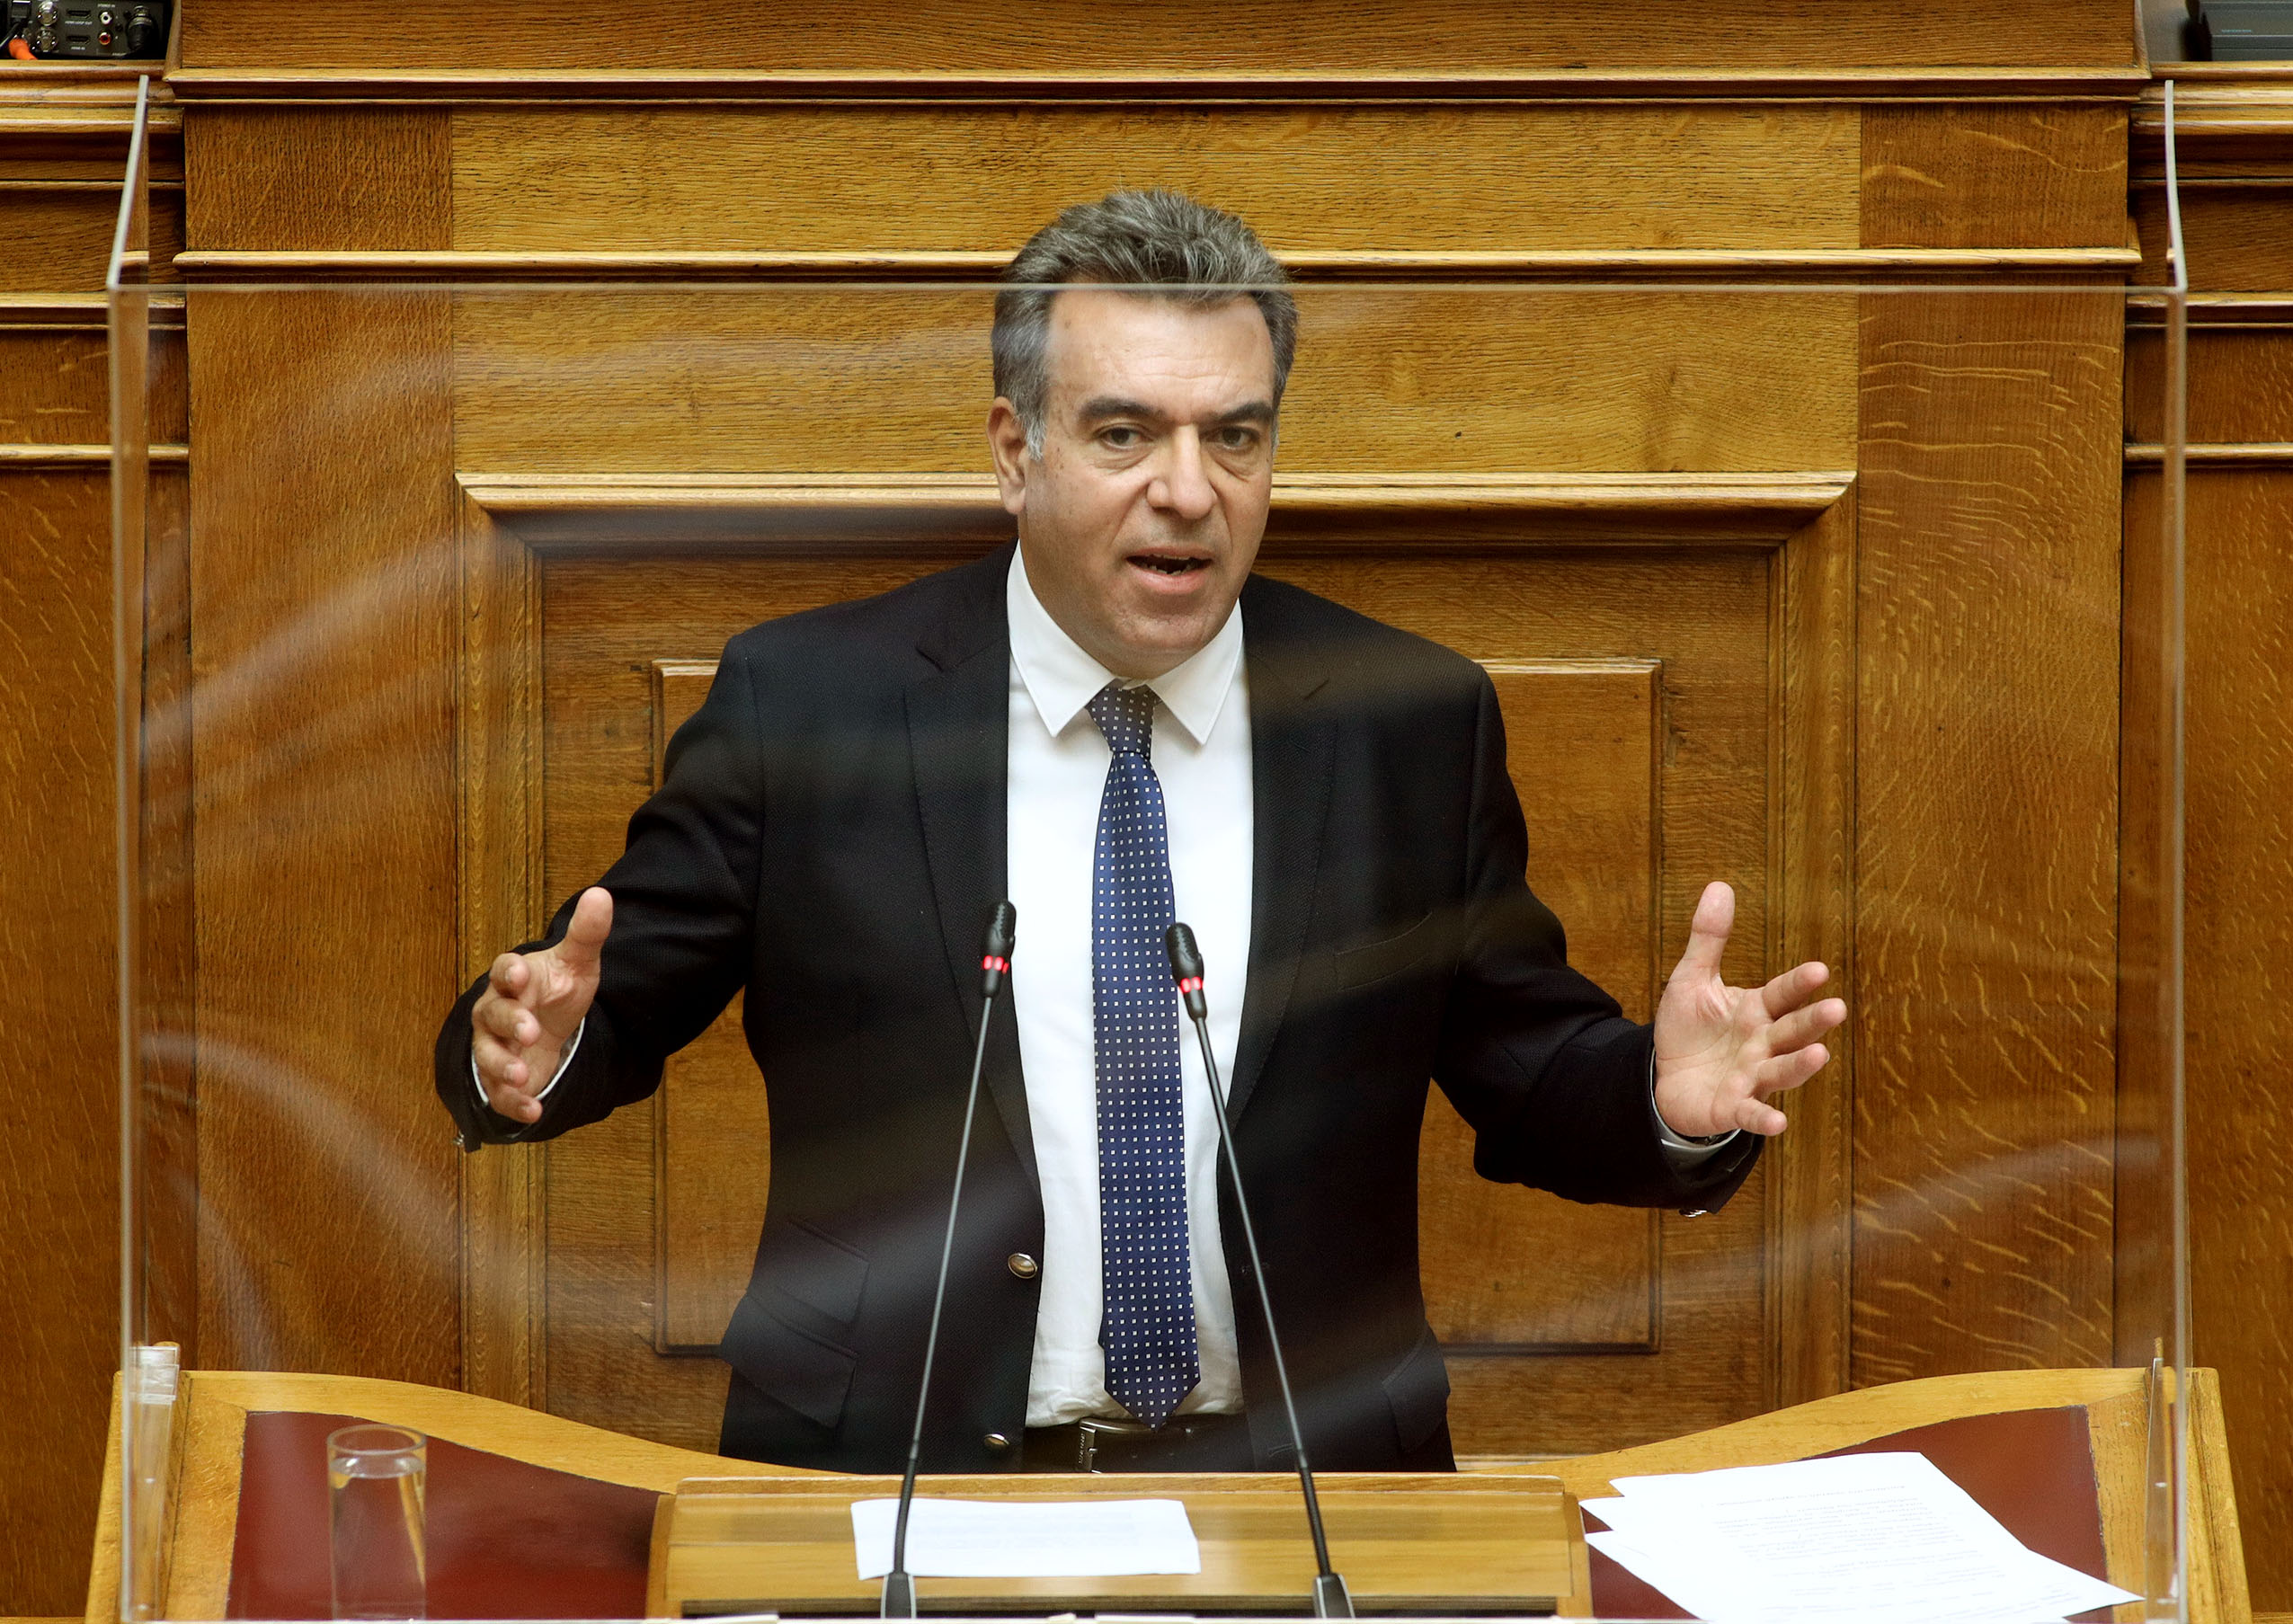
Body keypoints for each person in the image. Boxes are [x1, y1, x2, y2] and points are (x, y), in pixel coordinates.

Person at [434, 190, 1844, 1477]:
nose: (1189, 489)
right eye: (1125, 434)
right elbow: (609, 1005)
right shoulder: (810, 704)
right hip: (897, 1476)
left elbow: (1524, 1068)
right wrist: (536, 1047)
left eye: (1235, 435)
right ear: (1017, 451)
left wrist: (1662, 1099)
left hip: (1302, 1494)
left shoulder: (1404, 720)